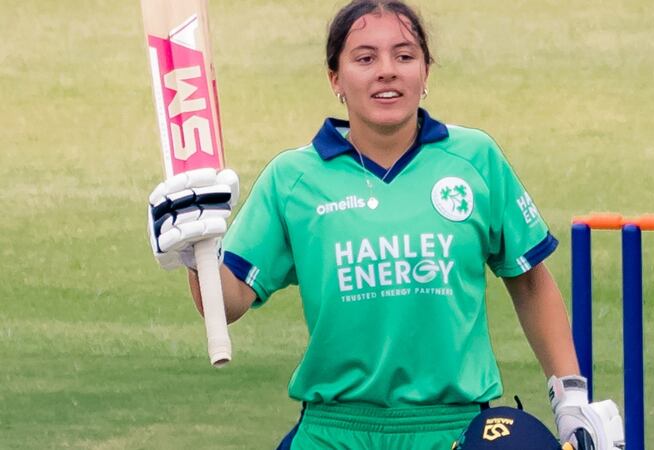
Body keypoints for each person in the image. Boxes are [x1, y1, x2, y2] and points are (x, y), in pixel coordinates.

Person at [147, 1, 624, 449]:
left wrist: (571, 396)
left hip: (452, 427)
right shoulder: (294, 179)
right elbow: (227, 305)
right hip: (335, 429)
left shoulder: (474, 159)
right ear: (335, 77)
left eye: (404, 55)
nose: (386, 71)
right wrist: (195, 254)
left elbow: (530, 283)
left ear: (425, 72)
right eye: (364, 58)